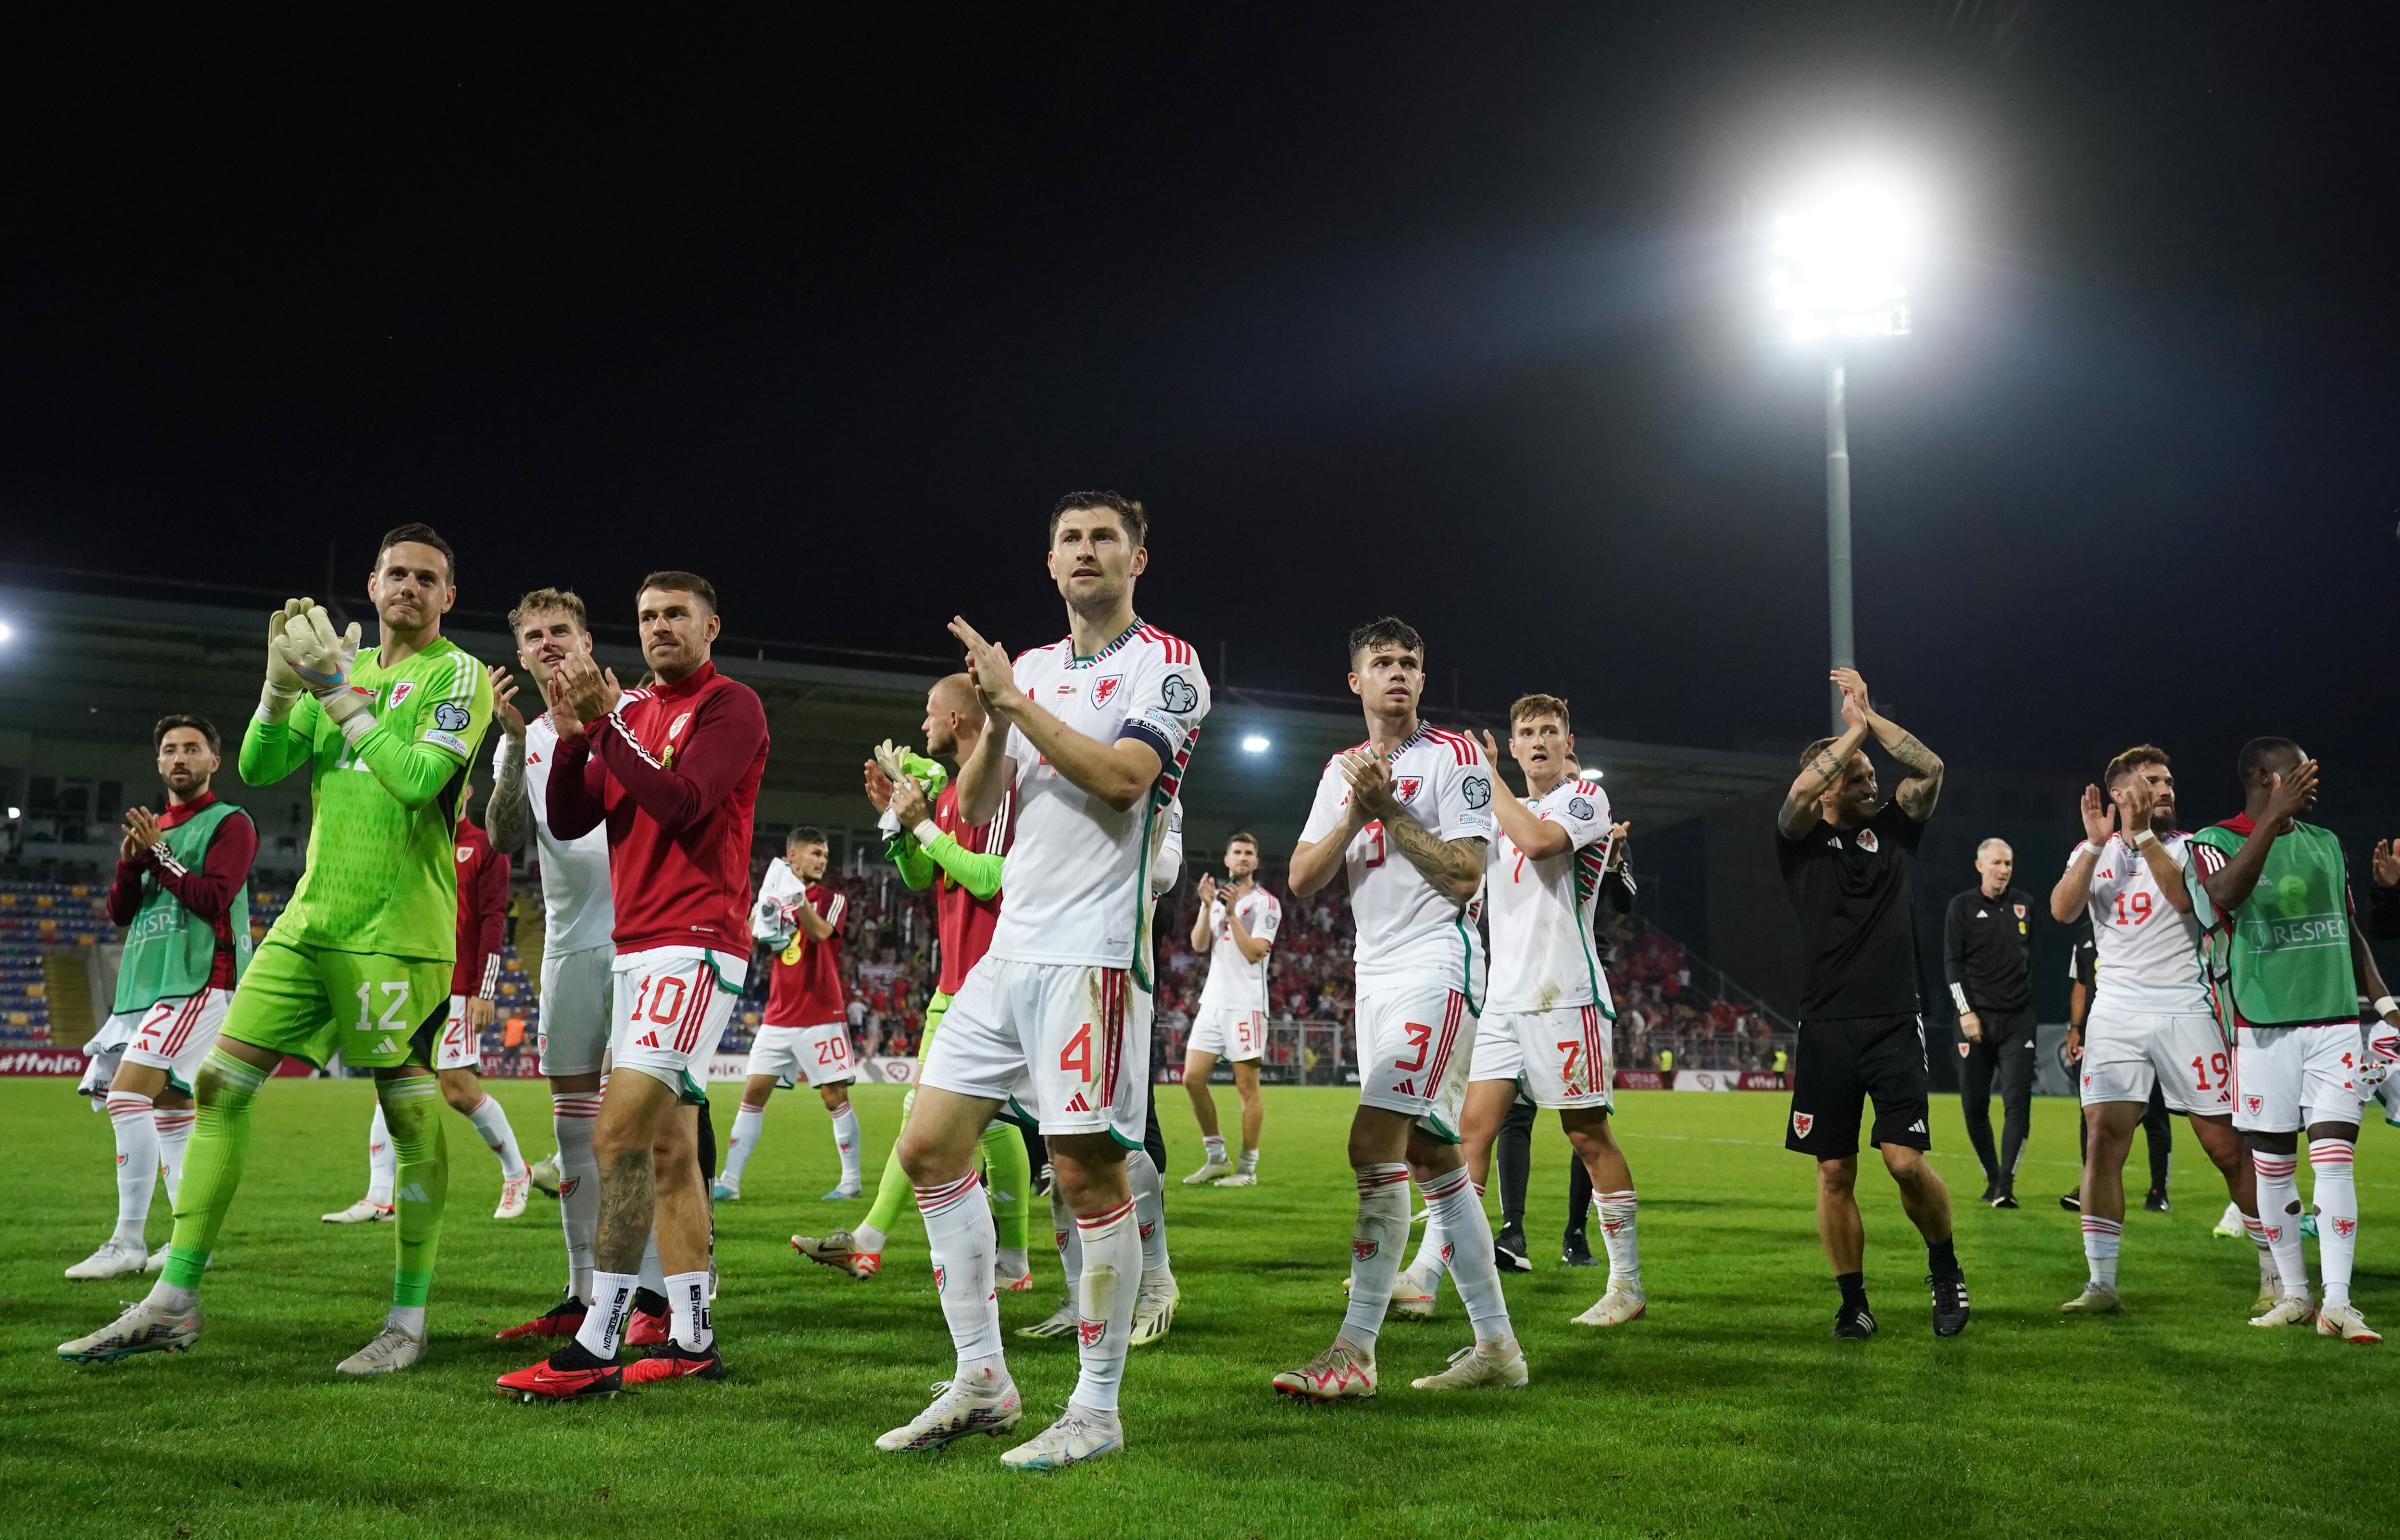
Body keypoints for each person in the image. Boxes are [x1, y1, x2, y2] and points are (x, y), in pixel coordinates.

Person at [60, 524, 494, 1373]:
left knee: (408, 1112)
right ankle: (175, 1298)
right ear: (370, 585)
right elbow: (259, 765)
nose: (408, 586)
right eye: (396, 572)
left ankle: (408, 1318)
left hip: (396, 931)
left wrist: (336, 693)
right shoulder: (353, 667)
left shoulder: (458, 676)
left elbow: (416, 780)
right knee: (219, 1081)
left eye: (427, 577)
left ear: (448, 595)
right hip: (310, 920)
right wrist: (273, 689)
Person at [875, 491, 1207, 1469]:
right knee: (931, 1149)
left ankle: (1097, 1411)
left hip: (1093, 956)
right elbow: (981, 805)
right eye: (1071, 539)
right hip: (1008, 950)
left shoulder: (1168, 666)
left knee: (1084, 1173)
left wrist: (1013, 707)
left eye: (1106, 537)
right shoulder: (1030, 668)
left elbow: (1123, 780)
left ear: (1138, 558)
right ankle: (982, 1378)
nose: (1087, 551)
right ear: (1050, 562)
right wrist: (988, 720)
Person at [498, 571, 768, 1396]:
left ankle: (597, 1340)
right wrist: (581, 733)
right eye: (648, 616)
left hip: (694, 940)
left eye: (675, 615)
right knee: (666, 1146)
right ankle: (690, 1337)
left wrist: (603, 723)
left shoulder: (730, 706)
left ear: (709, 626)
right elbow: (575, 814)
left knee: (613, 1136)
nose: (658, 627)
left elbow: (684, 802)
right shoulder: (635, 712)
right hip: (635, 944)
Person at [1274, 616, 1525, 1401]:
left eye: (1409, 662)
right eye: (1381, 661)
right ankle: (1497, 1344)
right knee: (1431, 1158)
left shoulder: (1458, 760)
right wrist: (1358, 807)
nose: (1397, 672)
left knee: (1371, 1138)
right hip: (1371, 974)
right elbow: (1303, 877)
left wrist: (1392, 812)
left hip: (1437, 965)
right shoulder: (1340, 769)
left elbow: (1463, 875)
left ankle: (1355, 1348)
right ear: (1355, 680)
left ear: (1422, 679)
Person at [1404, 699, 1644, 1329]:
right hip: (1505, 1000)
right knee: (1468, 1135)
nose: (1538, 741)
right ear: (1513, 744)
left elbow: (1539, 843)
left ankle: (1627, 1283)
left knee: (1587, 1137)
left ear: (1568, 743)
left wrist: (1490, 784)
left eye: (1549, 732)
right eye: (1527, 733)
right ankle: (1427, 1274)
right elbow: (1458, 878)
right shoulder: (1495, 814)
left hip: (1565, 994)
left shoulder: (1585, 800)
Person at [791, 677, 1031, 1286]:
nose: (922, 727)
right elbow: (926, 877)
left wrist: (924, 827)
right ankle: (1012, 1262)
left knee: (935, 1116)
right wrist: (899, 827)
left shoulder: (1001, 785)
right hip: (956, 983)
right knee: (994, 1125)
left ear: (956, 718)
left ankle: (873, 1241)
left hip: (998, 983)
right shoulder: (950, 795)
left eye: (929, 716)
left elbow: (988, 880)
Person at [1775, 667, 1968, 1340]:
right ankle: (1852, 1300)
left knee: (1904, 1161)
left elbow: (1931, 766)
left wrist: (1869, 715)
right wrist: (1850, 732)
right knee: (1834, 1170)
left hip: (1893, 1021)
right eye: (1857, 777)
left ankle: (1944, 1267)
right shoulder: (1797, 841)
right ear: (1832, 786)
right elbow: (1799, 790)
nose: (1872, 783)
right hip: (1825, 1026)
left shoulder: (1896, 830)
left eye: (1870, 775)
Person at [2188, 739, 2400, 1342]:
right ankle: (2295, 1295)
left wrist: (2384, 1004)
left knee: (2335, 1160)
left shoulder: (2327, 843)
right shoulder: (2213, 841)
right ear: (2263, 777)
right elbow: (2223, 898)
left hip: (2335, 1025)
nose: (2312, 778)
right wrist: (2273, 821)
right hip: (2262, 1028)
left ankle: (2338, 1302)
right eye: (2298, 770)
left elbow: (2348, 927)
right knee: (2275, 1171)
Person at [2051, 745, 2266, 1317]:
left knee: (2224, 1146)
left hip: (2185, 1009)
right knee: (2103, 1143)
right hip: (2116, 1012)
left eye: (2169, 781)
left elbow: (2185, 902)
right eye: (2151, 782)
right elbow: (2062, 910)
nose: (2165, 789)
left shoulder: (2193, 849)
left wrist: (2143, 836)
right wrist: (2098, 844)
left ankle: (2278, 1273)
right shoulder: (2091, 850)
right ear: (2120, 794)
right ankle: (2102, 1283)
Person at [66, 715, 257, 1280]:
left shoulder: (231, 823)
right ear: (158, 763)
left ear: (212, 762)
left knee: (126, 1098)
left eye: (192, 749)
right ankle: (183, 1244)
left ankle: (127, 1241)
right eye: (170, 750)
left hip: (199, 980)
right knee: (173, 1114)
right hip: (150, 985)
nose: (180, 758)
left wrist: (157, 857)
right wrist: (131, 863)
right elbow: (122, 913)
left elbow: (214, 898)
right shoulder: (154, 830)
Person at [483, 589, 620, 1341]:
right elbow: (503, 837)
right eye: (534, 635)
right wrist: (508, 745)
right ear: (522, 653)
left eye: (561, 629)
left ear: (588, 638)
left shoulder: (634, 710)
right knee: (573, 1132)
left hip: (644, 940)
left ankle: (658, 1298)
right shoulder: (526, 737)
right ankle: (582, 1291)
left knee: (642, 1131)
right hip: (569, 945)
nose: (548, 643)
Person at [324, 786, 529, 1223]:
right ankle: (380, 1197)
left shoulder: (484, 846)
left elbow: (494, 917)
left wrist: (483, 989)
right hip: (408, 984)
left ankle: (517, 1172)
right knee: (391, 1084)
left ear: (468, 789)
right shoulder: (410, 841)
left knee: (459, 1091)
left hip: (456, 989)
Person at [717, 827, 861, 1202]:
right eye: (815, 853)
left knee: (834, 1097)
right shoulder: (773, 894)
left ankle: (851, 1181)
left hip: (821, 1013)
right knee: (753, 1093)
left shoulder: (832, 898)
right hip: (779, 1015)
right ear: (792, 857)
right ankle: (729, 1182)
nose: (822, 861)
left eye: (825, 856)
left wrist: (797, 903)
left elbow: (819, 933)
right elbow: (749, 937)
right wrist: (766, 911)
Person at [2057, 914, 2174, 1215]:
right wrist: (2075, 1028)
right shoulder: (2085, 933)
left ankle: (2159, 1190)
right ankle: (2090, 1185)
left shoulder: (2139, 922)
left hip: (2144, 1029)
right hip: (2101, 1034)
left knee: (2155, 1113)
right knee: (2091, 1110)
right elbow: (2081, 984)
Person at [1180, 832, 1279, 1186]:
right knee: (1191, 1079)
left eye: (1249, 853)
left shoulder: (1267, 903)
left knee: (1247, 1088)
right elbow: (1197, 944)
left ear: (1256, 862)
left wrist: (1234, 914)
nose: (1242, 858)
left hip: (1246, 1006)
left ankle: (1248, 1168)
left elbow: (1255, 953)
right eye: (1236, 852)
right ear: (1226, 860)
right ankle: (1216, 1157)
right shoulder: (1219, 903)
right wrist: (1208, 906)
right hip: (1214, 1002)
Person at [1944, 838, 2038, 1207]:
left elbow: (2032, 960)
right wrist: (1966, 1012)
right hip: (1974, 1020)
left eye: (2009, 864)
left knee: (2018, 1103)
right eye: (1997, 863)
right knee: (1974, 1106)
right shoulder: (1962, 907)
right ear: (1980, 866)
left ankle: (2006, 1186)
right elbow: (1952, 963)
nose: (2004, 870)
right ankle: (1993, 1175)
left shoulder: (2025, 904)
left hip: (2018, 1020)